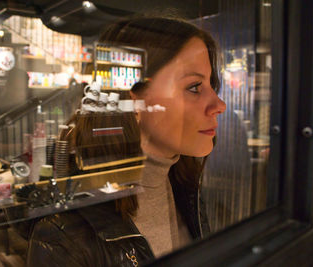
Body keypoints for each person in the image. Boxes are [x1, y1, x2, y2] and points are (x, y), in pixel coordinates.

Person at [27, 15, 226, 266]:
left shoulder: (187, 192)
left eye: (212, 85)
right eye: (195, 87)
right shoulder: (65, 235)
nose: (220, 105)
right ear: (134, 98)